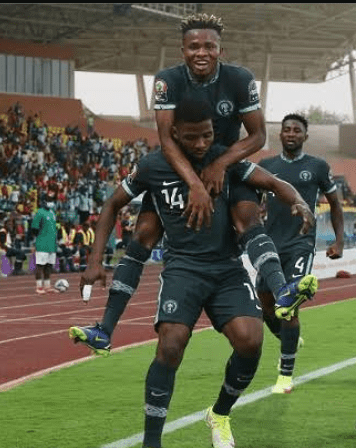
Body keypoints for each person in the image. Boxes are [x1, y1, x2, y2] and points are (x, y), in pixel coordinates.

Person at [71, 98, 315, 448]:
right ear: (174, 134)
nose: (201, 144)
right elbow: (112, 203)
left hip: (227, 269)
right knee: (170, 345)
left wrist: (299, 201)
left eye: (207, 135)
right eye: (192, 137)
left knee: (251, 342)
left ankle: (219, 413)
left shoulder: (225, 160)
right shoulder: (153, 166)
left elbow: (274, 183)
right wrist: (95, 260)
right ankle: (152, 441)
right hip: (183, 269)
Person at [69, 13, 316, 355]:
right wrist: (196, 185)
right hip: (177, 167)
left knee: (247, 218)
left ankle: (283, 292)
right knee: (143, 235)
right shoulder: (167, 81)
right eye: (194, 46)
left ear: (220, 50)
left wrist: (219, 165)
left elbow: (258, 136)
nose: (202, 52)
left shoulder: (240, 79)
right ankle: (104, 329)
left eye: (209, 46)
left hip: (227, 165)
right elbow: (166, 140)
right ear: (182, 50)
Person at [257, 113, 345, 394]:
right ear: (280, 134)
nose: (291, 134)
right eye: (287, 130)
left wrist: (339, 241)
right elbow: (252, 202)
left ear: (305, 136)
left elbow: (335, 204)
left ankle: (285, 376)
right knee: (266, 306)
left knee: (288, 304)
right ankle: (290, 339)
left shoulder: (317, 166)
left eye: (297, 130)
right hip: (271, 244)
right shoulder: (266, 166)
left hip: (301, 243)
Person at [30, 194, 59, 294]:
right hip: (42, 244)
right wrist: (39, 238)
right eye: (49, 200)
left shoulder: (52, 213)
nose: (51, 202)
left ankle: (47, 285)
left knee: (49, 265)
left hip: (52, 244)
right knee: (40, 265)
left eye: (51, 200)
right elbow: (34, 228)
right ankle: (39, 286)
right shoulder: (40, 212)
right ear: (43, 201)